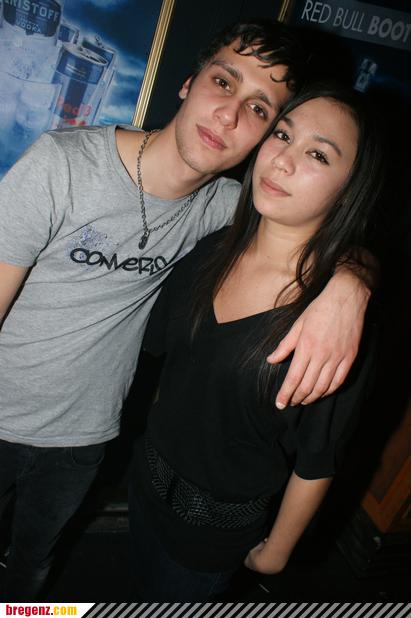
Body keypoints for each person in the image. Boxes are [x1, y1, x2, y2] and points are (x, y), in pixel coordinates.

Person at [0, 21, 372, 600]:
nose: (228, 115)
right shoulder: (63, 165)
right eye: (223, 81)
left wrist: (353, 280)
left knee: (31, 575)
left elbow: (327, 225)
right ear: (187, 82)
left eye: (258, 109)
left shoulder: (226, 209)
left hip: (82, 442)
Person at [128, 81, 383, 601]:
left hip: (212, 535)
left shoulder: (333, 321)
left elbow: (318, 456)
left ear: (349, 187)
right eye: (282, 135)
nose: (281, 161)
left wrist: (277, 550)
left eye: (317, 154)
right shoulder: (210, 249)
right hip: (143, 484)